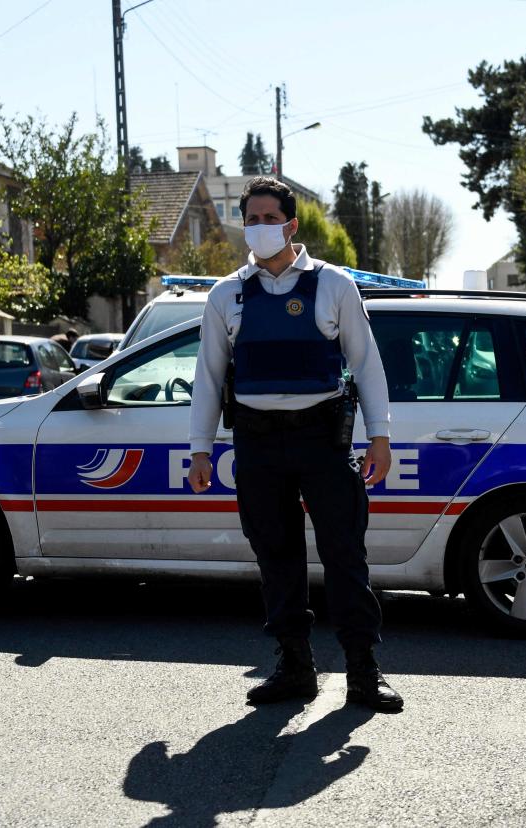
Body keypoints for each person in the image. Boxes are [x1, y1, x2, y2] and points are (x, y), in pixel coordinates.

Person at [186, 176, 403, 712]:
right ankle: (294, 666)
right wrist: (199, 450)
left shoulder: (334, 285)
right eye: (251, 219)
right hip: (256, 444)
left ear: (292, 224)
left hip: (322, 437)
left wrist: (381, 436)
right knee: (275, 556)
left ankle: (363, 671)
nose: (259, 228)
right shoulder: (225, 294)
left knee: (344, 554)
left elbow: (367, 364)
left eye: (268, 217)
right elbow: (209, 378)